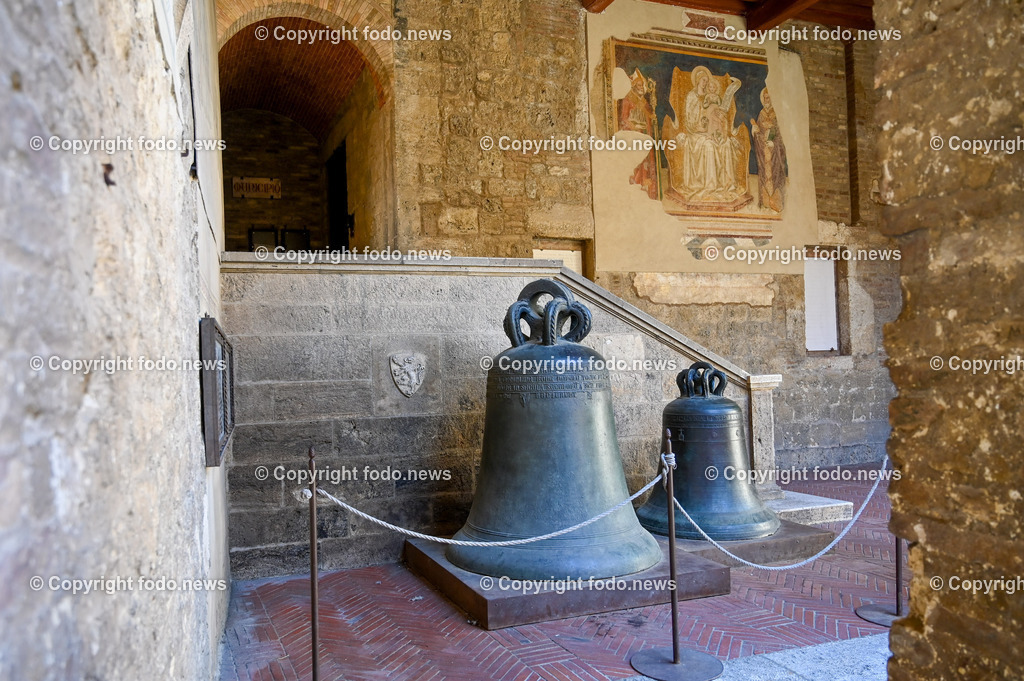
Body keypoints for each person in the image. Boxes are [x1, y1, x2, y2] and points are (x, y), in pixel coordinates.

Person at [618, 68, 659, 199]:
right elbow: (624, 119)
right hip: (633, 136)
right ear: (634, 86)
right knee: (635, 162)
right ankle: (634, 184)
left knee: (645, 162)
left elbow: (648, 115)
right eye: (639, 85)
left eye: (642, 85)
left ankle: (645, 186)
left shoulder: (644, 101)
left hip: (644, 135)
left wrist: (652, 116)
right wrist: (634, 128)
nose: (641, 87)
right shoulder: (627, 100)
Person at [750, 87, 788, 212]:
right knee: (764, 173)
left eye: (769, 98)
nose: (767, 100)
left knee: (775, 172)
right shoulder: (761, 114)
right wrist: (755, 131)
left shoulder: (777, 114)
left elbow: (781, 134)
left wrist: (774, 143)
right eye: (765, 98)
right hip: (764, 149)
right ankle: (766, 201)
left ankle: (776, 201)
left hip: (774, 151)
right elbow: (759, 131)